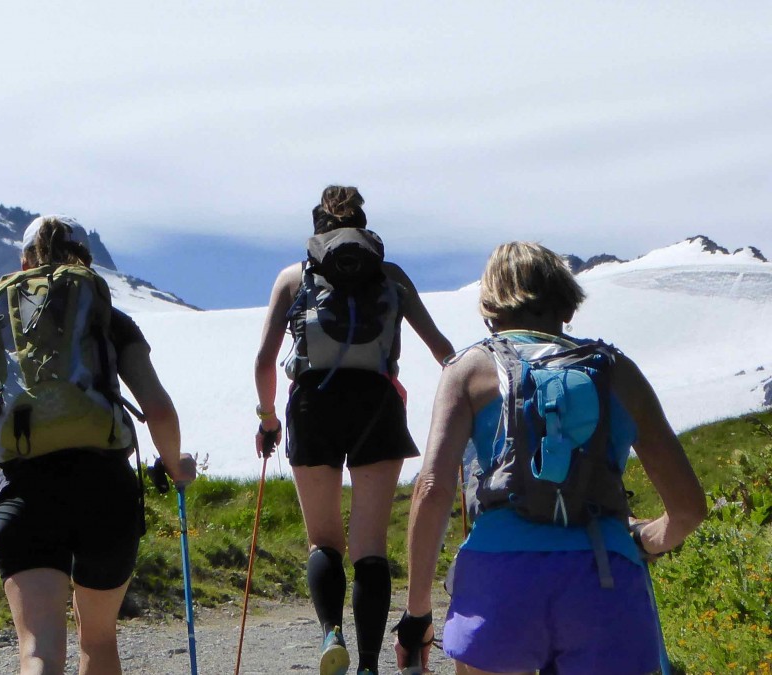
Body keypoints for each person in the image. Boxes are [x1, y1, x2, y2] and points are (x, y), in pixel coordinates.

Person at [396, 241, 706, 675]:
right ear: (567, 305)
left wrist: (418, 614)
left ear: (491, 310)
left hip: (499, 584)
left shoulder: (468, 370)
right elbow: (690, 508)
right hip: (605, 581)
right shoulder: (618, 371)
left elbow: (431, 490)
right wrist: (642, 541)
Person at [0, 215, 196, 675]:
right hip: (106, 491)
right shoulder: (110, 320)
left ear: (23, 262)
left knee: (38, 648)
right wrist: (176, 466)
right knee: (97, 641)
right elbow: (159, 410)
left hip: (25, 492)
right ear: (87, 264)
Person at [252, 186, 455, 675]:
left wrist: (268, 419)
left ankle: (330, 635)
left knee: (323, 541)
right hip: (377, 406)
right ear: (363, 224)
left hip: (311, 404)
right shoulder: (390, 276)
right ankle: (368, 664)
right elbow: (443, 350)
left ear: (316, 224)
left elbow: (263, 361)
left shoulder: (293, 276)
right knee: (370, 546)